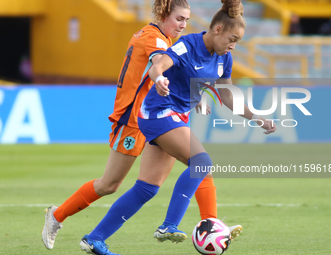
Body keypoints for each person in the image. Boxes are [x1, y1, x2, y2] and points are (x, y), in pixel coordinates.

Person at [78, 0, 275, 254]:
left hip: (175, 117)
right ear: (217, 30)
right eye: (232, 38)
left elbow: (227, 97)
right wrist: (159, 77)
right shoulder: (188, 45)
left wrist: (258, 117)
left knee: (147, 188)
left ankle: (95, 238)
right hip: (157, 113)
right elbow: (158, 64)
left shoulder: (224, 59)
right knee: (202, 162)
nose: (233, 45)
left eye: (237, 41)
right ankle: (170, 226)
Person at [42, 0, 228, 252]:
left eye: (187, 20)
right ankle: (57, 216)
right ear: (163, 14)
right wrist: (161, 77)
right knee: (109, 184)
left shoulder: (164, 38)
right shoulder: (155, 39)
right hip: (132, 119)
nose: (184, 25)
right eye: (179, 19)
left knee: (192, 169)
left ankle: (210, 225)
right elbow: (158, 64)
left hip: (159, 117)